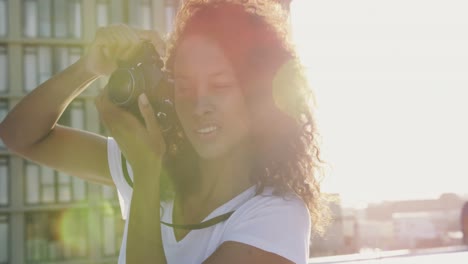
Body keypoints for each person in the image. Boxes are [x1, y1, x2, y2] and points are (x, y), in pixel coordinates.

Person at [0, 0, 330, 263]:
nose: (199, 103)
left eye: (219, 84)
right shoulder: (159, 162)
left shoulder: (278, 216)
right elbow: (19, 135)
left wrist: (146, 172)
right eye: (184, 86)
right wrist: (87, 68)